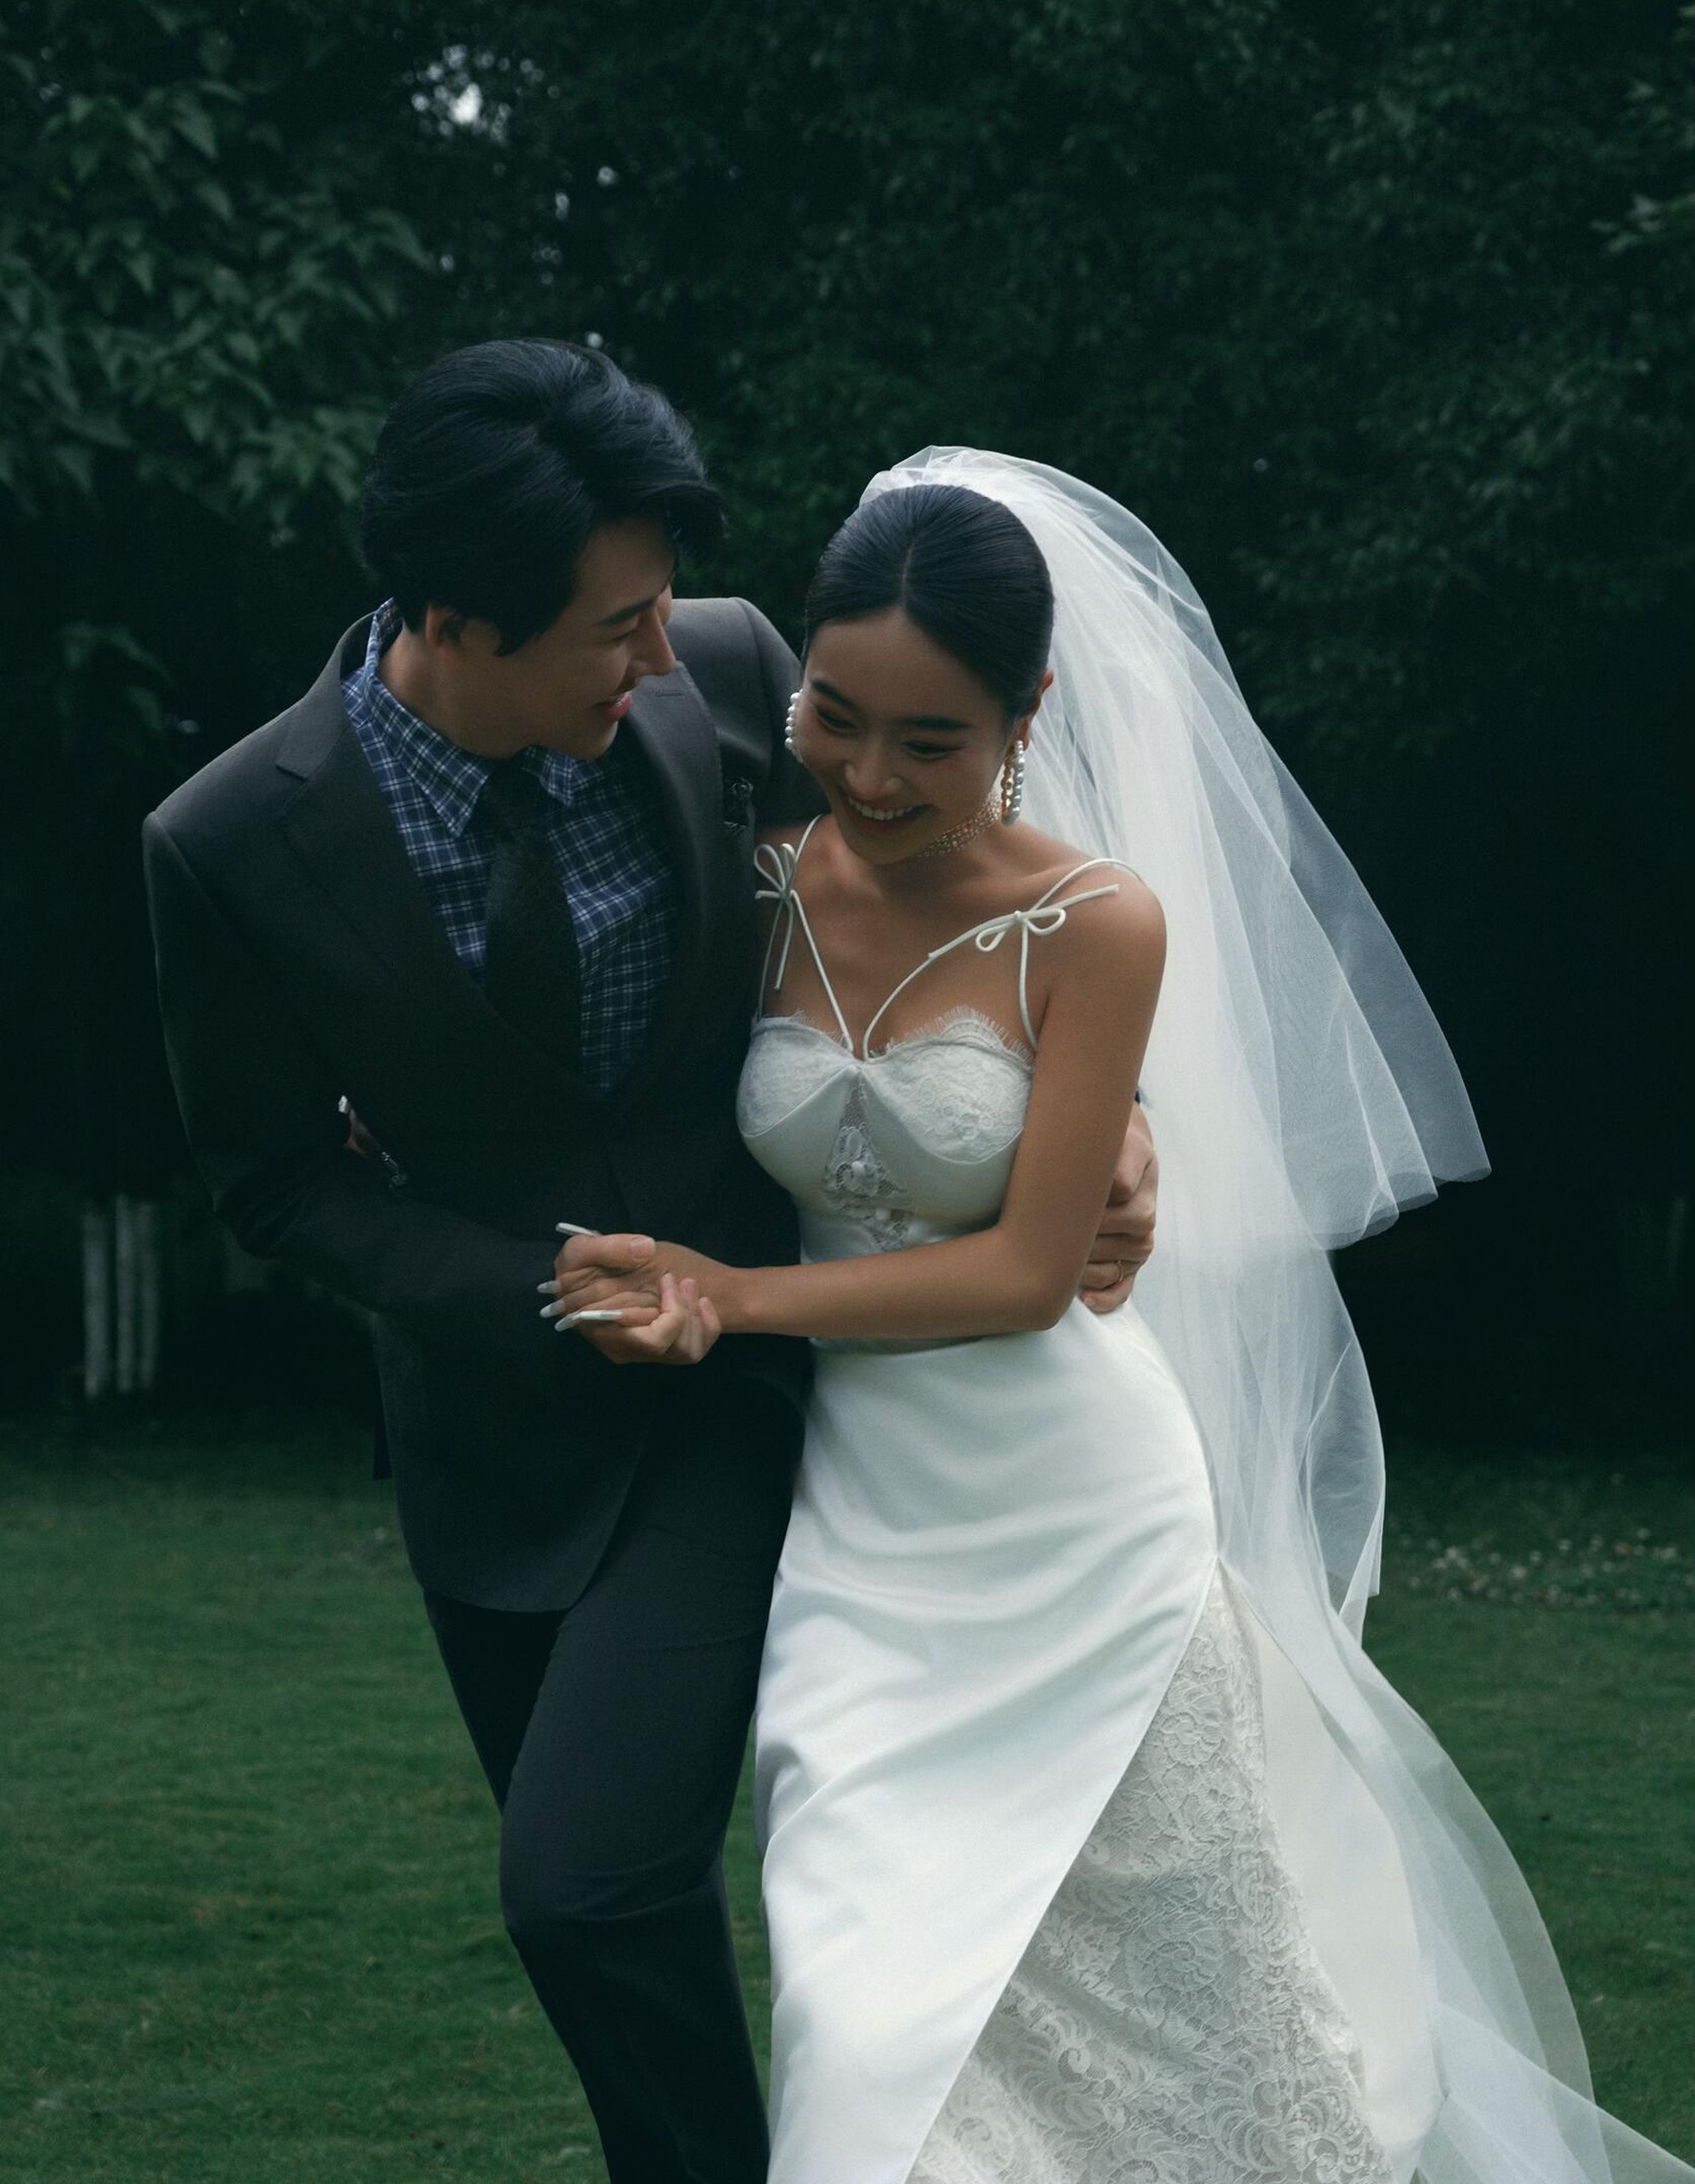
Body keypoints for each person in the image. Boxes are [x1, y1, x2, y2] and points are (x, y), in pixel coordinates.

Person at [555, 449, 1695, 2184]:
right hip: (863, 1539)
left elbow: (1030, 1275)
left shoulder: (1094, 923)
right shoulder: (756, 882)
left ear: (1028, 719)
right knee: (866, 2023)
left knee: (1194, 2032)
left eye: (931, 741)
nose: (872, 774)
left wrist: (730, 1296)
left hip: (1078, 1518)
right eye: (835, 718)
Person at [142, 348, 1155, 2184]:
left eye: (663, 607)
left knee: (580, 1883)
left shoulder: (745, 670)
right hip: (496, 1431)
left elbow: (959, 884)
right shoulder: (227, 843)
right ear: (455, 617)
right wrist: (544, 1294)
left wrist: (1103, 1122)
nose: (663, 654)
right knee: (614, 1921)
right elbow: (275, 1182)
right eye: (616, 628)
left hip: (756, 1378)